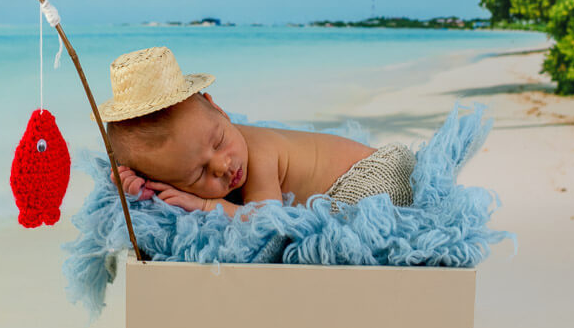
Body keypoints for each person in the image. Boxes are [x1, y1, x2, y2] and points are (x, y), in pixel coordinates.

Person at [101, 46, 415, 216]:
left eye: (219, 141)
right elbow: (164, 190)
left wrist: (210, 205)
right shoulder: (203, 149)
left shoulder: (260, 153)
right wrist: (140, 188)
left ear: (220, 109)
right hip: (372, 171)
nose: (223, 166)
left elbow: (268, 225)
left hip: (373, 180)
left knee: (342, 231)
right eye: (198, 175)